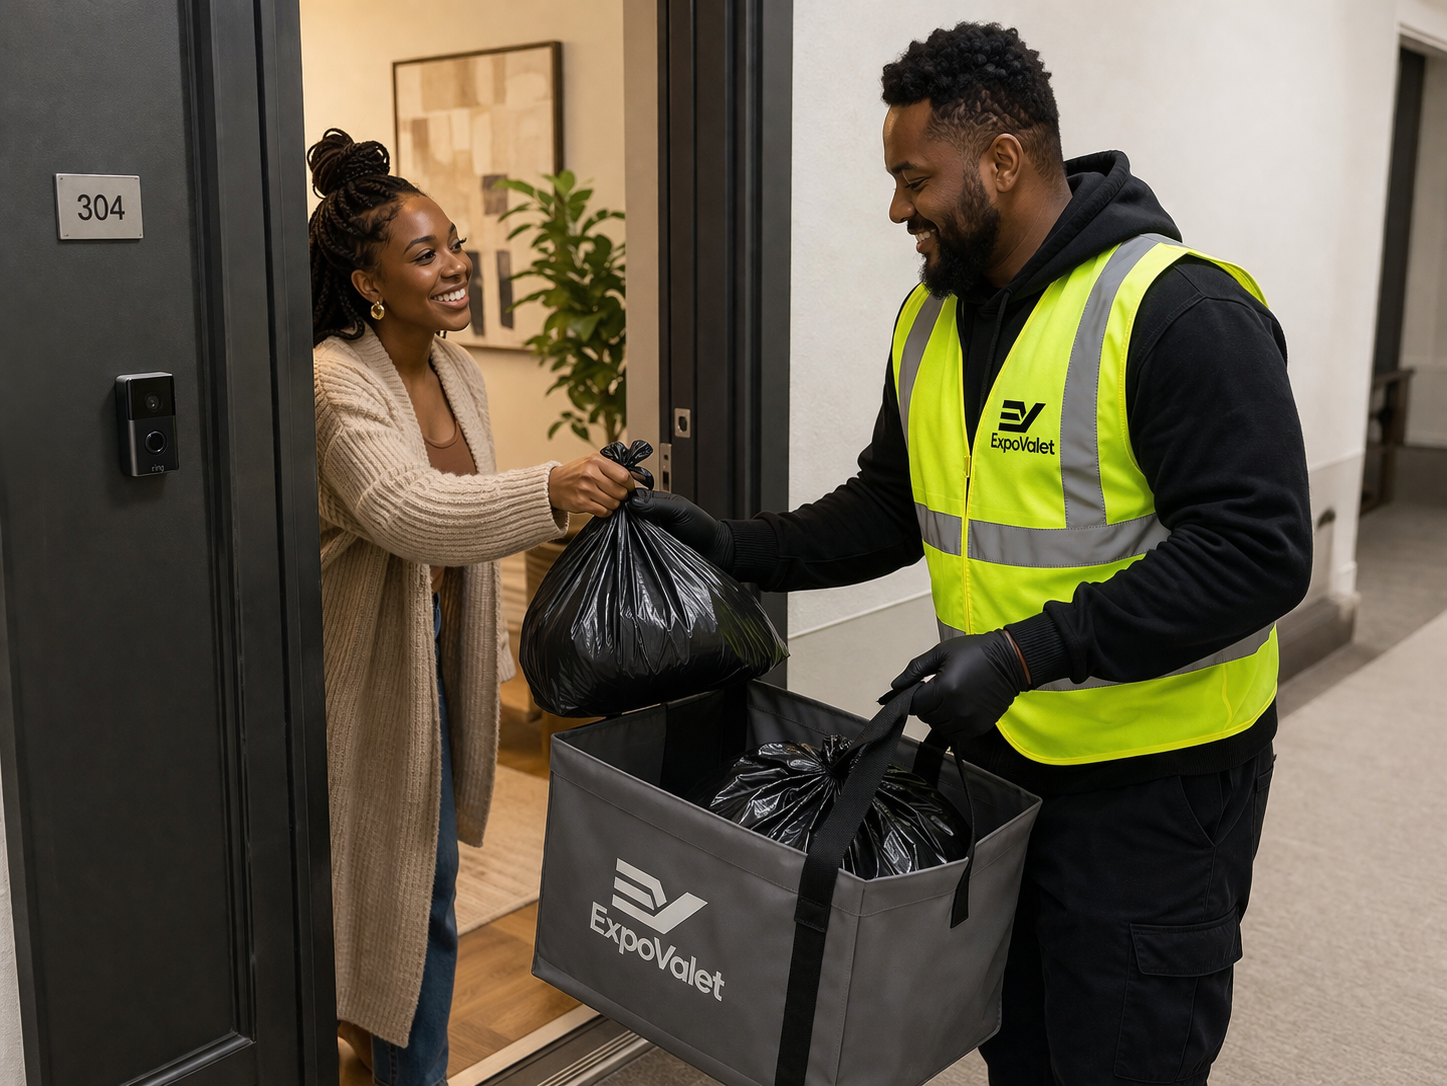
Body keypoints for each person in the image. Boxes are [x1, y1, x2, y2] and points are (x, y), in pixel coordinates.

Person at [631, 23, 1311, 1086]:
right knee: (1019, 1042)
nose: (897, 207)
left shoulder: (1179, 311)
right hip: (999, 776)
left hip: (1154, 790)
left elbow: (1258, 552)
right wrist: (730, 543)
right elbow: (888, 508)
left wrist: (1027, 651)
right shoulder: (929, 321)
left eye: (914, 178)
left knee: (1124, 1052)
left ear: (1001, 161)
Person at [307, 129, 632, 1086]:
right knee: (406, 899)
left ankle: (377, 1052)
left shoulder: (460, 372)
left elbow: (456, 530)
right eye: (425, 253)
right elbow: (411, 512)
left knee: (412, 888)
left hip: (437, 650)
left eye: (452, 242)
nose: (455, 265)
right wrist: (554, 486)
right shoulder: (332, 381)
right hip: (360, 672)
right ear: (369, 282)